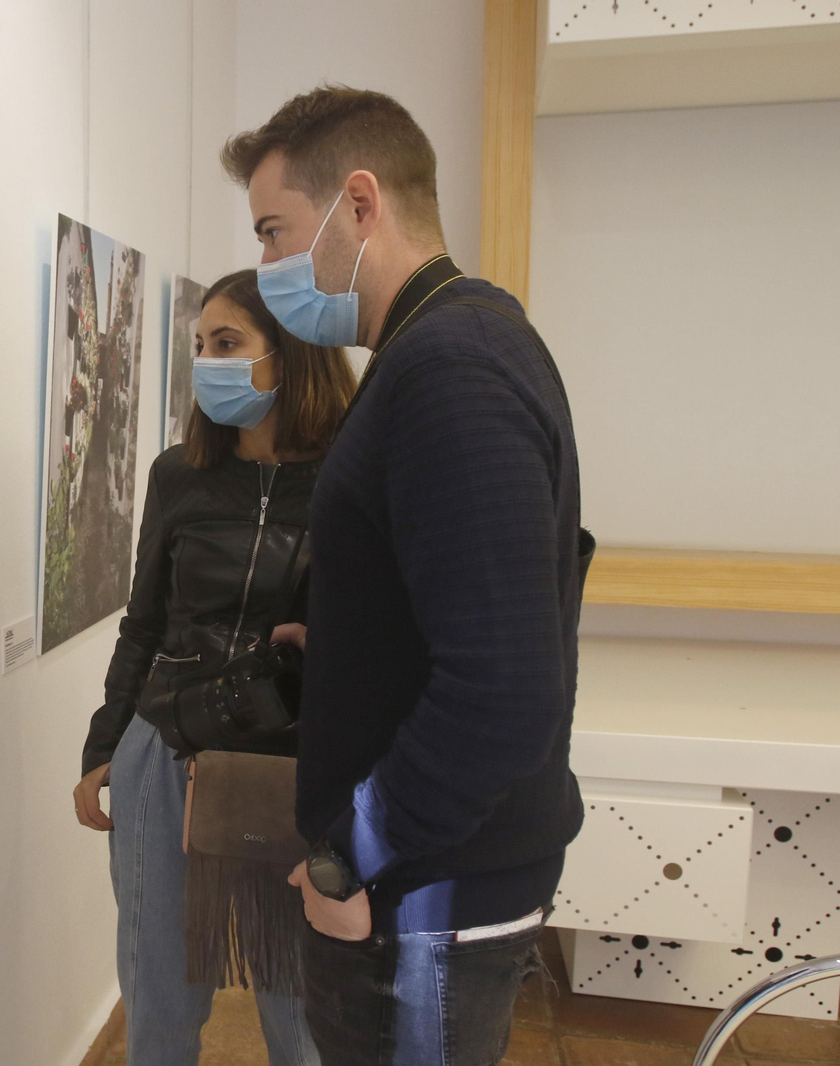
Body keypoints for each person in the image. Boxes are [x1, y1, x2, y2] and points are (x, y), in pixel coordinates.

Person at [221, 86, 593, 1066]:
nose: (265, 270)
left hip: (422, 897)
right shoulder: (444, 348)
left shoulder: (449, 369)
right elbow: (457, 600)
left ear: (356, 204)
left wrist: (348, 855)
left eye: (273, 233)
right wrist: (345, 643)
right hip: (432, 884)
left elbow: (503, 689)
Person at [73, 270, 357, 1066]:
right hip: (163, 752)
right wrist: (103, 747)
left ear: (291, 353)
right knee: (158, 1001)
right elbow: (144, 622)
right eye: (200, 346)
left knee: (299, 1012)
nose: (209, 362)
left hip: (291, 770)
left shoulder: (350, 481)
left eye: (227, 343)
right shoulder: (179, 475)